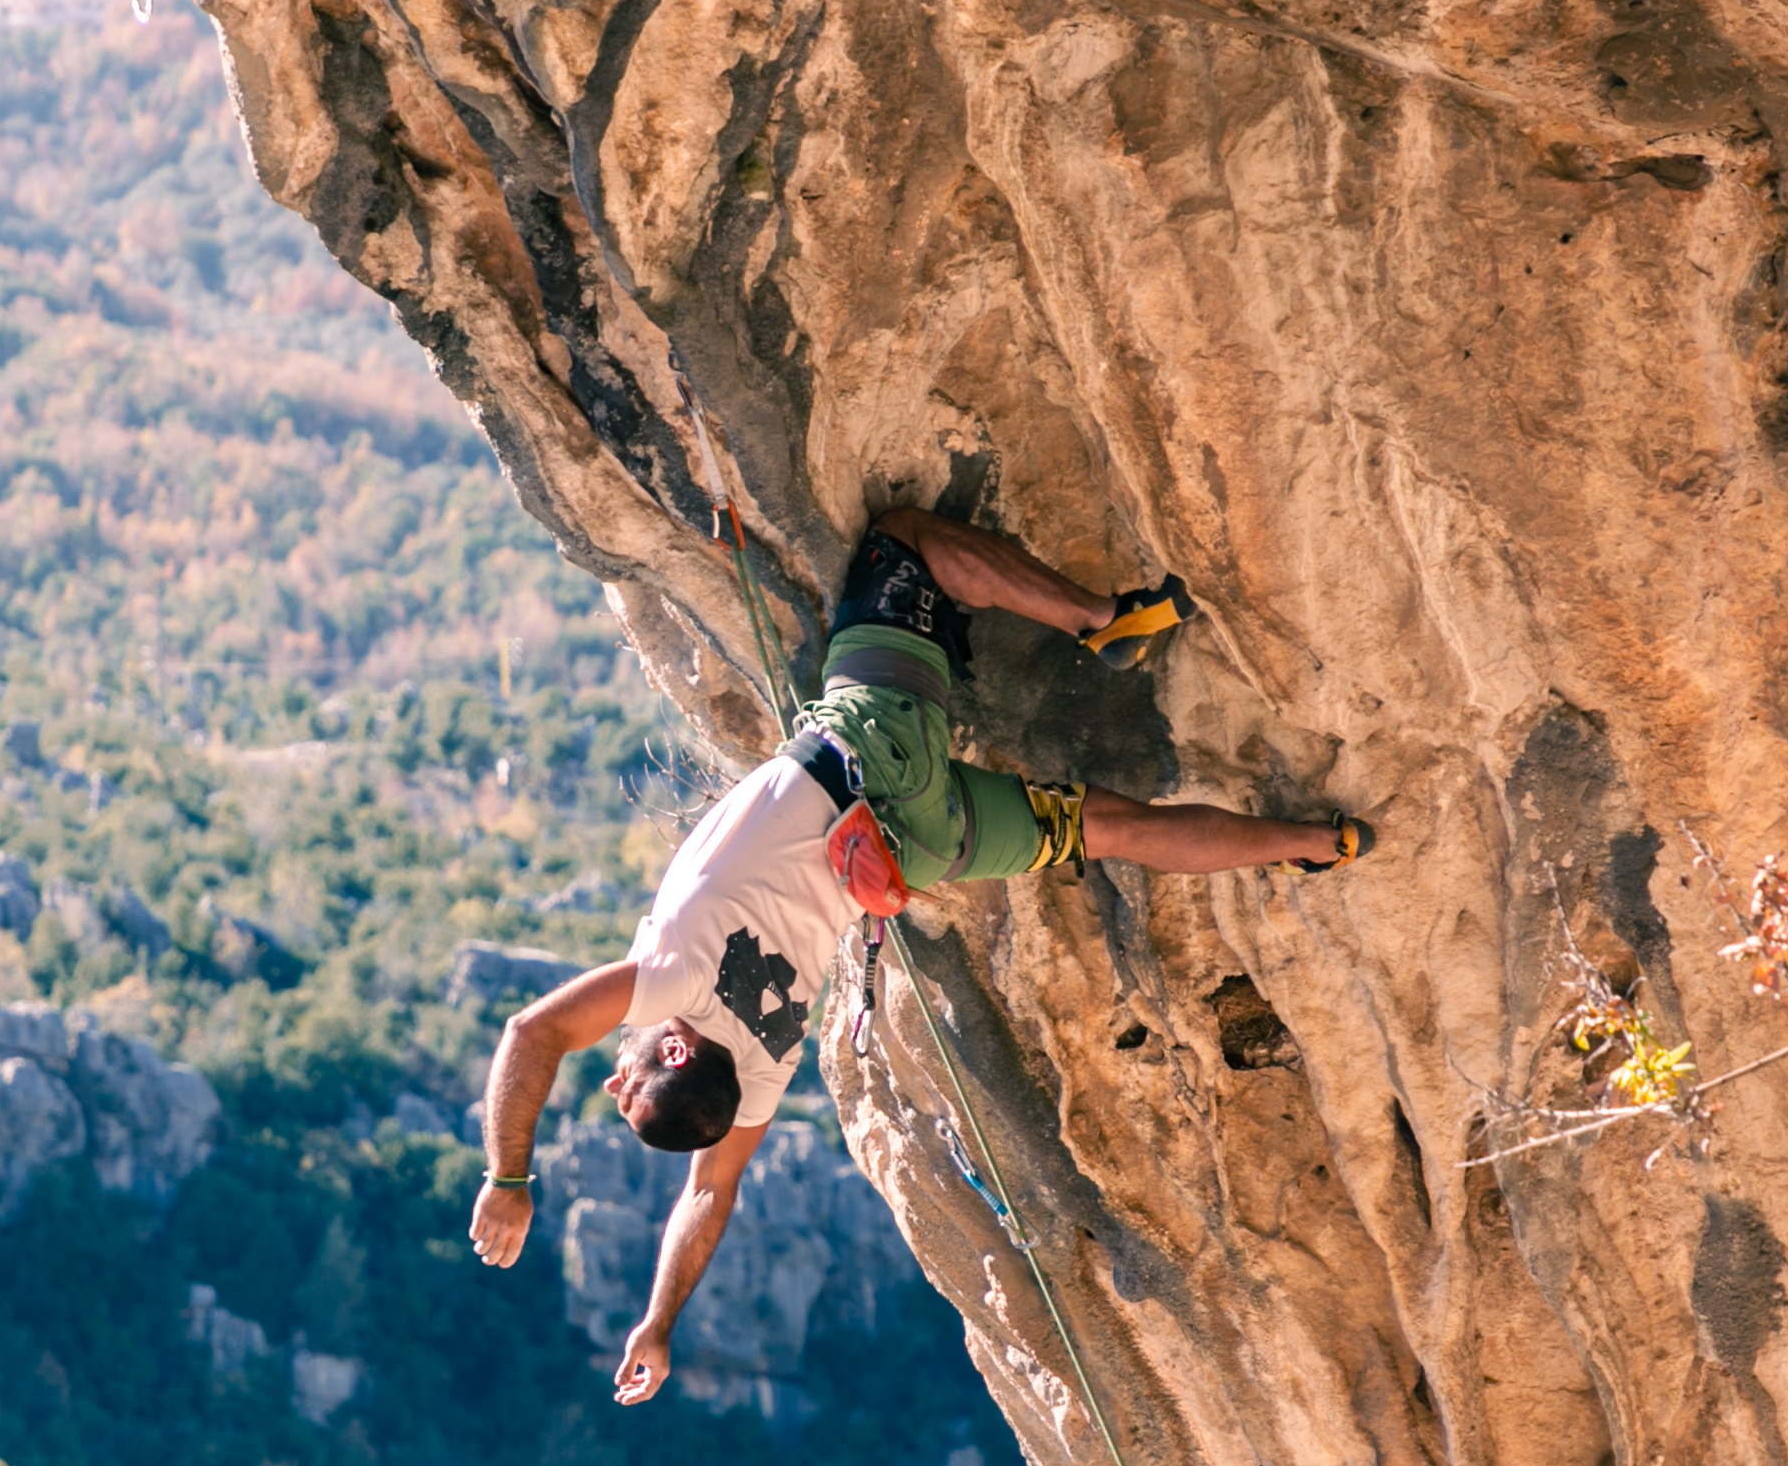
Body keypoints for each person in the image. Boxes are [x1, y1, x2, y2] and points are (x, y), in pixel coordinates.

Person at [467, 507, 1366, 1402]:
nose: (612, 1083)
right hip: (869, 753)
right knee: (904, 542)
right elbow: (534, 1032)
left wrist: (659, 1326)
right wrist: (508, 1177)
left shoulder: (766, 1070)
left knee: (1115, 829)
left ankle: (1317, 841)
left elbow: (710, 1196)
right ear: (671, 1050)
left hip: (922, 848)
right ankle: (1106, 620)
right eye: (626, 1090)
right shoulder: (676, 978)